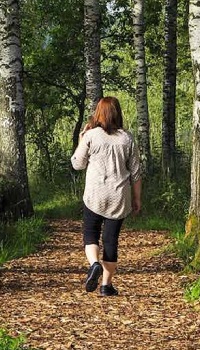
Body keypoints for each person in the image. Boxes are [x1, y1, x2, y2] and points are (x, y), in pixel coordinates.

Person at [71, 96, 142, 296]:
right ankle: (106, 286)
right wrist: (137, 199)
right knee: (111, 241)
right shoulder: (127, 138)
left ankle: (94, 264)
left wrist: (80, 140)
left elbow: (78, 164)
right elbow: (136, 173)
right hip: (119, 197)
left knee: (91, 234)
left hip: (94, 196)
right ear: (118, 113)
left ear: (98, 113)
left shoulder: (91, 135)